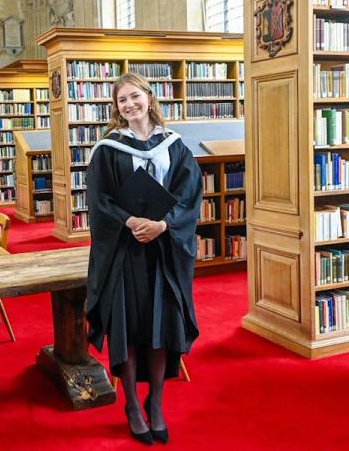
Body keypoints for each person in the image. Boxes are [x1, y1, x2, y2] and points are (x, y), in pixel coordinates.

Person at [85, 72, 203, 445]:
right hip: (124, 252)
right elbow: (98, 200)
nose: (130, 104)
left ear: (149, 98)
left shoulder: (174, 146)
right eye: (122, 100)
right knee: (129, 331)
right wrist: (131, 221)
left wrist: (164, 226)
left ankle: (156, 403)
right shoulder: (108, 148)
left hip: (162, 252)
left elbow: (190, 194)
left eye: (135, 97)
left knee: (159, 331)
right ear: (116, 109)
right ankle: (132, 405)